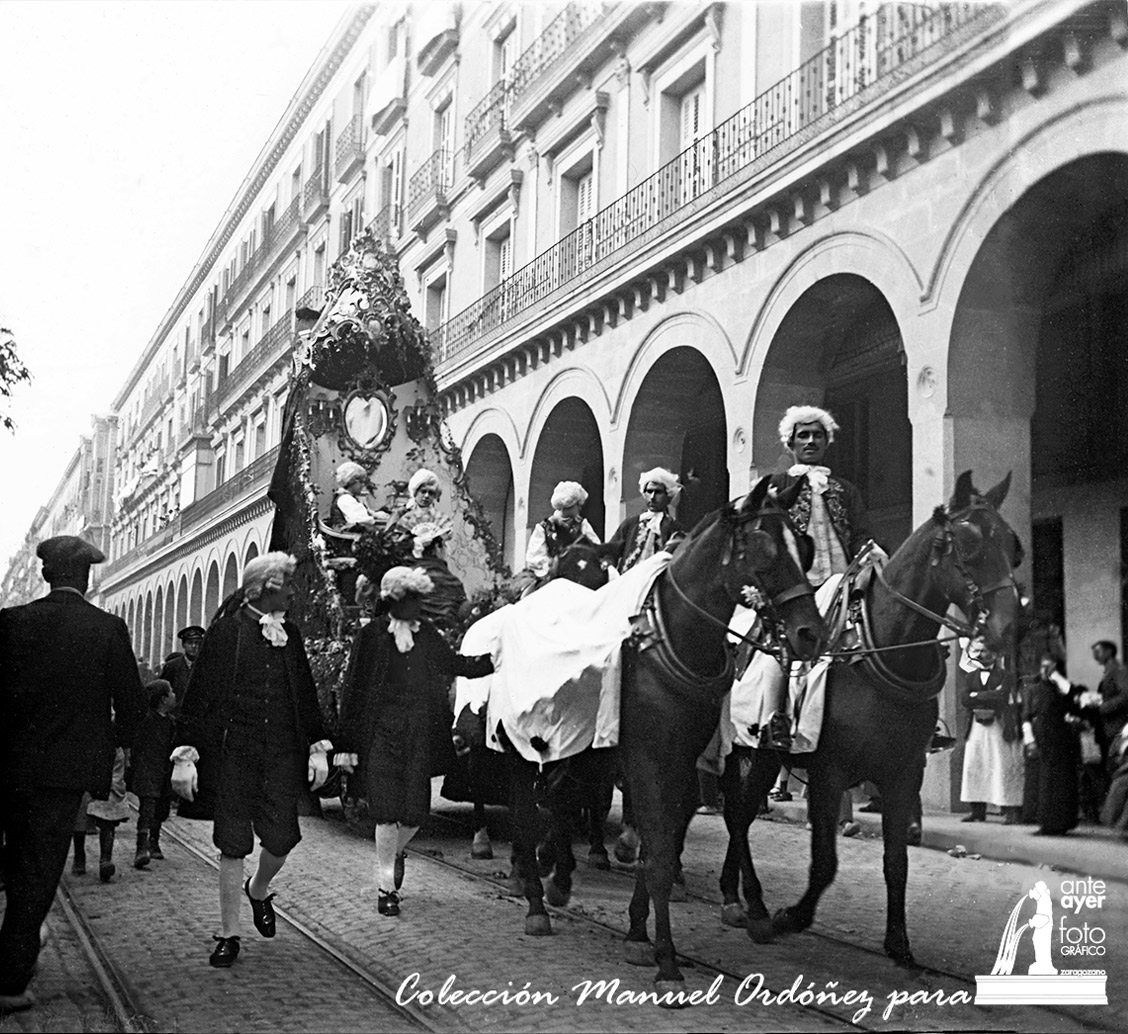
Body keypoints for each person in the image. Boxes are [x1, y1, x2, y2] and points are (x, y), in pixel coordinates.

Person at [0, 536, 145, 1014]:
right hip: (64, 772)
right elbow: (130, 704)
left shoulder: (12, 622)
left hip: (9, 765)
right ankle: (10, 978)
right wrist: (118, 749)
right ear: (86, 577)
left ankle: (14, 950)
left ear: (45, 574)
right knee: (39, 869)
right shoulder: (105, 629)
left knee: (14, 859)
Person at [170, 553, 332, 968]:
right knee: (232, 842)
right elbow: (197, 699)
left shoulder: (289, 635)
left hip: (280, 754)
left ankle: (258, 890)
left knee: (282, 839)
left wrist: (317, 746)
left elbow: (305, 695)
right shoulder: (224, 633)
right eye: (287, 585)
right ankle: (228, 934)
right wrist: (185, 756)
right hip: (233, 755)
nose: (294, 592)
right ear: (264, 588)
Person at [337, 567, 493, 918]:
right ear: (393, 599)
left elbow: (454, 663)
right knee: (386, 812)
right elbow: (354, 690)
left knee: (415, 814)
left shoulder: (427, 636)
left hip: (420, 733)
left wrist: (493, 662)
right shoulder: (372, 635)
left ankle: (392, 853)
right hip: (381, 733)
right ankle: (385, 888)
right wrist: (346, 746)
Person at [958, 640, 1024, 824]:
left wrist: (976, 696)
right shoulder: (970, 677)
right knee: (975, 764)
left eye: (984, 651)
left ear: (994, 655)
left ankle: (1010, 810)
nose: (980, 655)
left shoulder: (1006, 675)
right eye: (977, 651)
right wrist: (985, 696)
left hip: (998, 724)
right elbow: (964, 699)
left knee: (1001, 764)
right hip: (976, 726)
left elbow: (1002, 696)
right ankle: (977, 811)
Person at [1022, 653, 1083, 836]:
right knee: (1043, 782)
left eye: (1051, 668)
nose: (1046, 671)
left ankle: (1062, 823)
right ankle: (1046, 823)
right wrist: (1030, 741)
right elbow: (1026, 716)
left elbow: (1077, 706)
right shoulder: (1033, 690)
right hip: (1041, 740)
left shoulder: (1064, 689)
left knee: (1062, 782)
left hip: (1062, 741)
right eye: (1043, 667)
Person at [129, 680, 177, 869]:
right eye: (171, 692)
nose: (175, 695)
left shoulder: (171, 722)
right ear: (163, 699)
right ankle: (141, 847)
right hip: (148, 769)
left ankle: (154, 841)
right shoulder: (146, 720)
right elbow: (137, 745)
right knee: (147, 808)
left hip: (164, 772)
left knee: (161, 808)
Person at [606, 467, 685, 574]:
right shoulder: (630, 524)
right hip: (629, 581)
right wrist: (610, 568)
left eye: (658, 492)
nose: (652, 497)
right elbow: (610, 551)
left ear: (668, 495)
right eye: (649, 491)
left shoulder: (675, 529)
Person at [524, 480, 600, 579]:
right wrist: (553, 567)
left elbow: (595, 548)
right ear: (568, 505)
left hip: (579, 575)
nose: (580, 509)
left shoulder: (582, 525)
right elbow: (535, 557)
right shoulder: (544, 528)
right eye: (578, 505)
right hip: (551, 577)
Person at [329, 461, 383, 531]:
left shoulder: (347, 497)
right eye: (361, 482)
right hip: (348, 538)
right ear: (351, 481)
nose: (363, 485)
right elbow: (362, 521)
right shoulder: (345, 499)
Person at [159, 625, 205, 706]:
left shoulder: (206, 667)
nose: (194, 646)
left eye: (197, 643)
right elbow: (162, 692)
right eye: (190, 643)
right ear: (183, 645)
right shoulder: (172, 667)